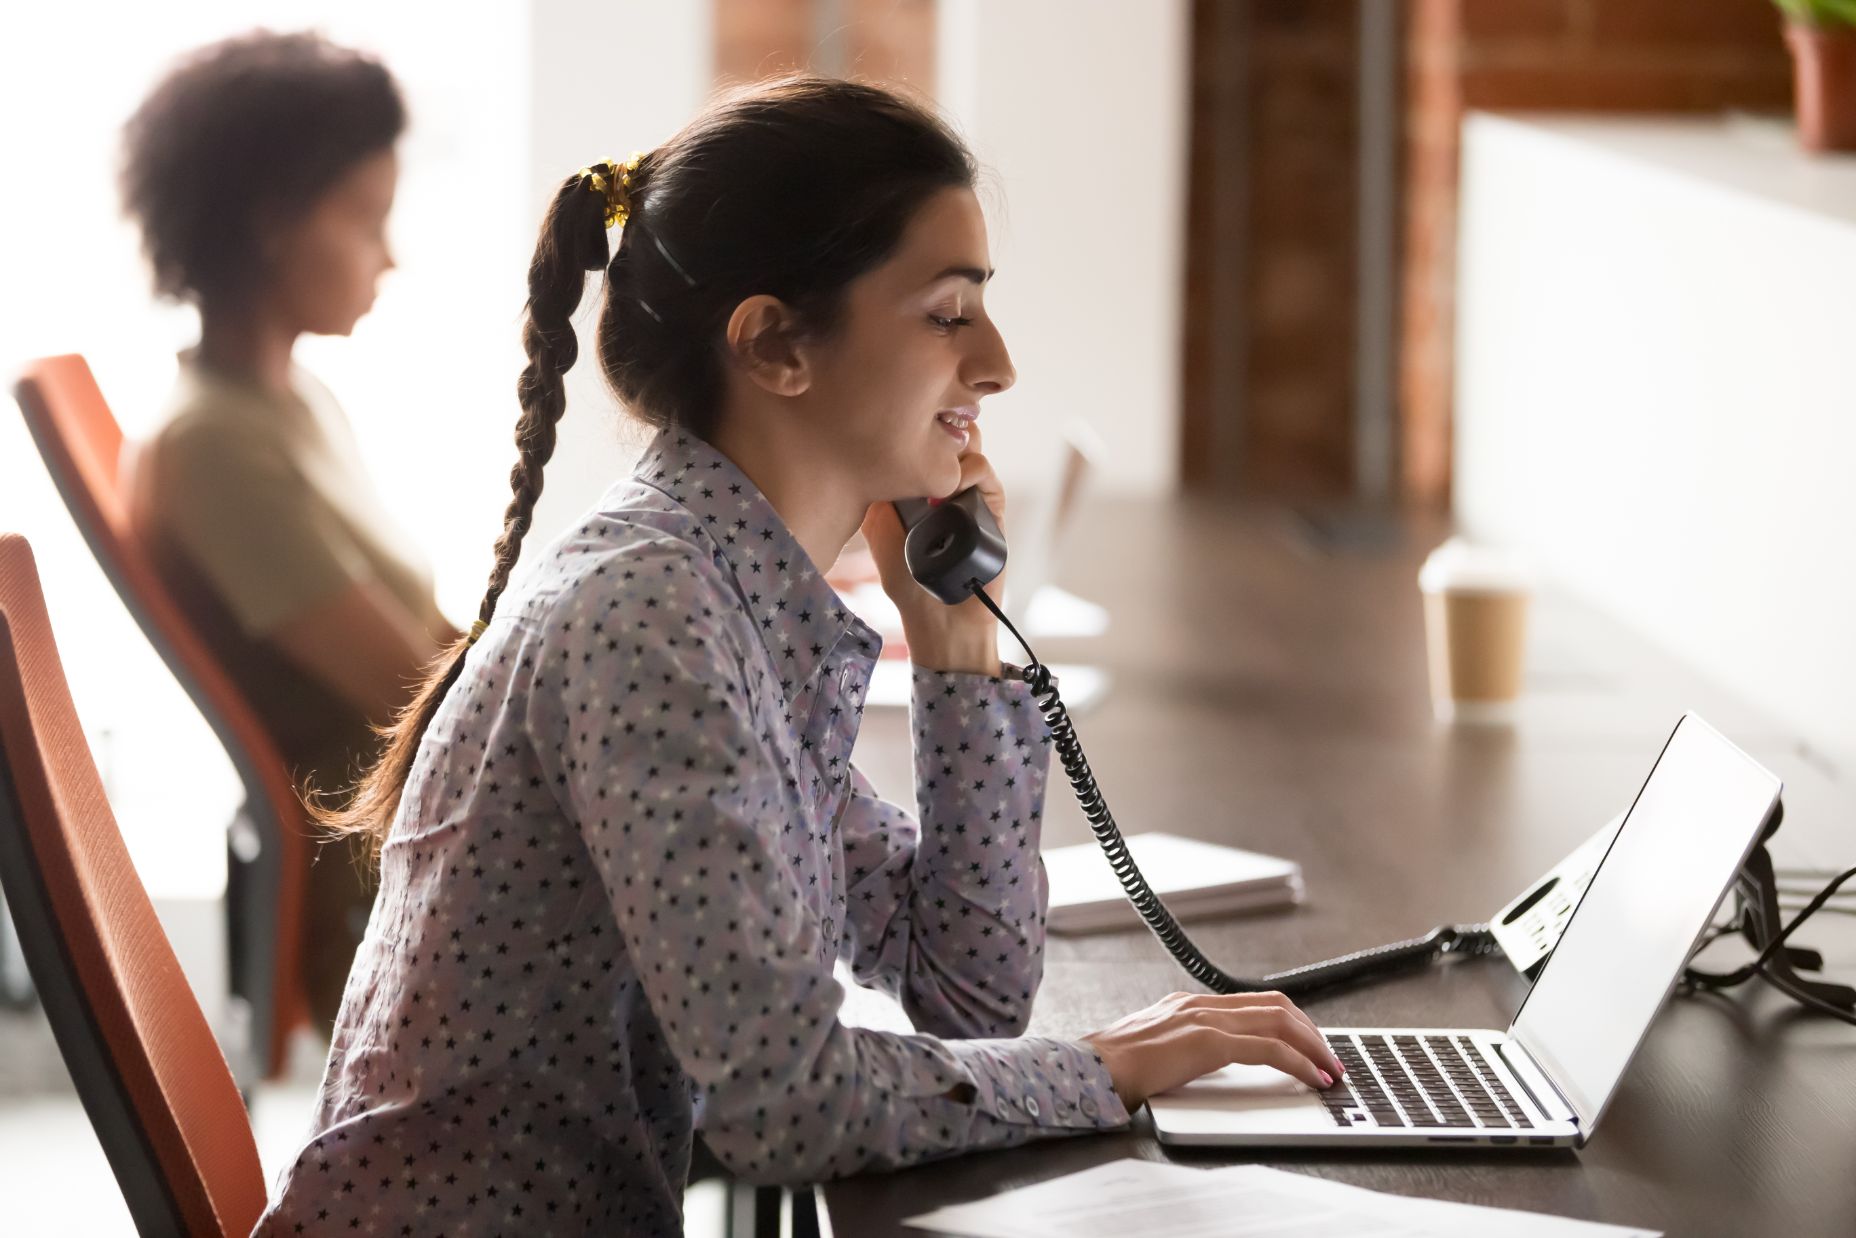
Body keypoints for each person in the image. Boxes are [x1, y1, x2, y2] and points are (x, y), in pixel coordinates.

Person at [255, 75, 1344, 1235]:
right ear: (775, 344)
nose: (997, 364)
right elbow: (794, 1106)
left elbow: (964, 992)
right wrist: (1106, 1065)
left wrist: (955, 641)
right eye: (946, 312)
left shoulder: (731, 596)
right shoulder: (652, 620)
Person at [118, 31, 458, 1027]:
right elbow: (414, 695)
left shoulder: (288, 403)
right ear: (272, 221)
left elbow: (433, 653)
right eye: (366, 217)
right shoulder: (217, 447)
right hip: (396, 889)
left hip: (435, 845)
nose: (388, 255)